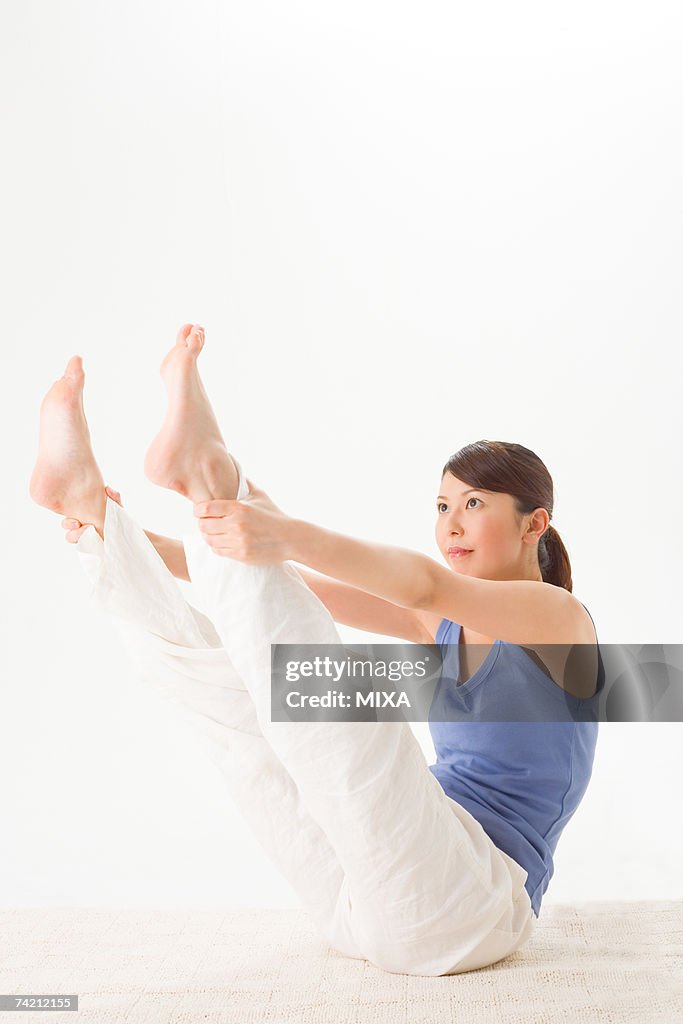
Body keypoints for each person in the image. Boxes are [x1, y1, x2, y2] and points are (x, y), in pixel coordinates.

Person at [29, 323, 603, 977]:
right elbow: (294, 590)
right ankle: (139, 492)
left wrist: (281, 531)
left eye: (474, 503)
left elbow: (422, 580)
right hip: (366, 905)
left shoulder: (555, 619)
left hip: (474, 908)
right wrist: (121, 532)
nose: (450, 522)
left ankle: (211, 474)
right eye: (442, 504)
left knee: (335, 696)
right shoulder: (437, 624)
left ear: (535, 522)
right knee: (243, 713)